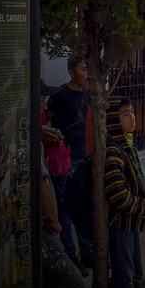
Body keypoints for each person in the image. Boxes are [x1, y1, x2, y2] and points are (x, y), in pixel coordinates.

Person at [105, 96, 145, 288]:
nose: (133, 118)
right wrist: (142, 206)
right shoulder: (112, 152)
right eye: (126, 114)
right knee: (123, 274)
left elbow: (140, 183)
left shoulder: (129, 147)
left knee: (136, 271)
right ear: (114, 121)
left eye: (133, 112)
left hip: (132, 223)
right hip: (120, 224)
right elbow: (117, 195)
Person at [46, 54, 91, 266]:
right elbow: (46, 120)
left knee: (83, 205)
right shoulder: (60, 95)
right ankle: (71, 256)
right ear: (72, 71)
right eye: (83, 69)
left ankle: (88, 253)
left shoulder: (87, 94)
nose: (87, 73)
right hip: (64, 158)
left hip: (82, 156)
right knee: (65, 209)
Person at [37, 151, 84, 288]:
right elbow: (40, 182)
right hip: (41, 227)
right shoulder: (28, 136)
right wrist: (52, 218)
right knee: (71, 282)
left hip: (43, 225)